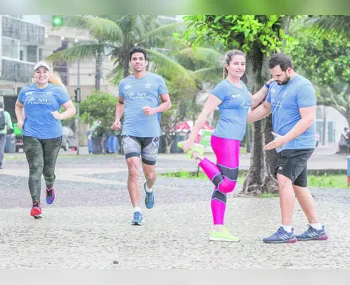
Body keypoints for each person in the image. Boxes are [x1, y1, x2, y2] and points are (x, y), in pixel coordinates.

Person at [178, 50, 271, 242]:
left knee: (220, 187)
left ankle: (218, 229)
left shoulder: (241, 85)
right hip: (224, 139)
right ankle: (198, 156)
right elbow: (204, 114)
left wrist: (268, 86)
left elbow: (252, 101)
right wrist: (191, 139)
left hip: (234, 140)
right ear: (227, 65)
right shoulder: (223, 87)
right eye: (236, 63)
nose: (240, 67)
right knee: (228, 185)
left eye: (242, 64)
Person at [248, 53, 328, 243]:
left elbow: (308, 119)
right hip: (285, 144)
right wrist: (242, 118)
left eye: (278, 75)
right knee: (299, 186)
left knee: (283, 179)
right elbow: (266, 108)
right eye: (273, 76)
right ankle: (316, 228)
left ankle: (286, 230)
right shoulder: (275, 85)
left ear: (289, 70)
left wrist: (284, 139)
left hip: (299, 144)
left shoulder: (303, 86)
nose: (274, 79)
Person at [111, 46, 171, 225]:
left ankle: (149, 188)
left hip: (151, 133)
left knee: (150, 174)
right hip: (130, 132)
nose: (137, 61)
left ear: (145, 62)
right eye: (134, 59)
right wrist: (117, 119)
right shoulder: (124, 83)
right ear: (130, 62)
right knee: (132, 170)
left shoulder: (156, 80)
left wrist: (154, 110)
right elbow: (120, 103)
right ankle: (137, 212)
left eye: (140, 58)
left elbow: (167, 103)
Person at [15, 61, 76, 219]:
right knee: (35, 168)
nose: (41, 75)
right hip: (31, 134)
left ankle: (49, 187)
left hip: (53, 136)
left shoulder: (57, 90)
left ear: (49, 75)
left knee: (48, 171)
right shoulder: (26, 91)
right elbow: (18, 105)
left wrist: (61, 115)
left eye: (44, 72)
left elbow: (71, 109)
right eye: (38, 72)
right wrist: (20, 120)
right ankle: (36, 204)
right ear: (34, 74)